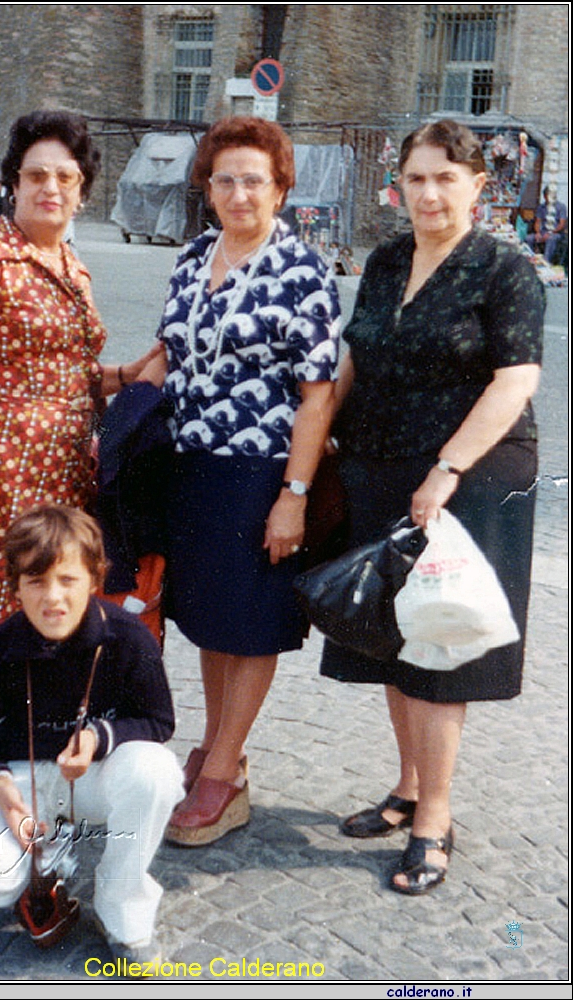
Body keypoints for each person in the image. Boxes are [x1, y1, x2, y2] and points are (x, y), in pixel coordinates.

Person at [321, 119, 544, 894]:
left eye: (447, 178)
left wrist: (447, 469)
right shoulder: (385, 260)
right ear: (400, 186)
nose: (429, 193)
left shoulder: (503, 269)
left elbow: (514, 382)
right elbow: (353, 356)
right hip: (380, 464)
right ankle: (411, 785)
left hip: (470, 473)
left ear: (480, 187)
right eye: (416, 178)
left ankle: (435, 818)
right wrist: (316, 443)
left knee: (441, 646)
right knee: (394, 640)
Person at [139, 116, 341, 846]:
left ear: (280, 187)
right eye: (224, 178)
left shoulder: (301, 270)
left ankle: (224, 771)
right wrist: (119, 382)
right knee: (211, 616)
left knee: (251, 621)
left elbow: (318, 394)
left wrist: (294, 496)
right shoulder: (196, 255)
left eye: (254, 178)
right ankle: (218, 746)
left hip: (262, 472)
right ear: (208, 187)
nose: (238, 192)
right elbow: (172, 351)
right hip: (194, 465)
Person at [0, 110, 161, 661]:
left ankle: (38, 726)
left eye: (65, 178)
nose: (51, 188)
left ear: (82, 192)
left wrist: (124, 377)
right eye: (36, 175)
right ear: (12, 183)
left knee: (54, 595)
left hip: (65, 468)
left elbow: (70, 369)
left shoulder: (71, 264)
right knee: (4, 596)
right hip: (4, 464)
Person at [0, 505, 183, 965]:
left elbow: (158, 721)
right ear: (15, 586)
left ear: (95, 578)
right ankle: (43, 862)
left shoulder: (129, 638)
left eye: (67, 580)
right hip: (22, 779)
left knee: (156, 771)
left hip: (96, 777)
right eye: (36, 581)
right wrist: (2, 791)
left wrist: (97, 739)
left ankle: (122, 909)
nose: (53, 598)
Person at [526, 186, 567, 263]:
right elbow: (537, 222)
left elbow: (562, 224)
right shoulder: (541, 207)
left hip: (556, 232)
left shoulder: (561, 207)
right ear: (544, 196)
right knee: (529, 238)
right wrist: (538, 232)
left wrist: (550, 233)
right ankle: (530, 259)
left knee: (550, 239)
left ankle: (546, 261)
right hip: (543, 231)